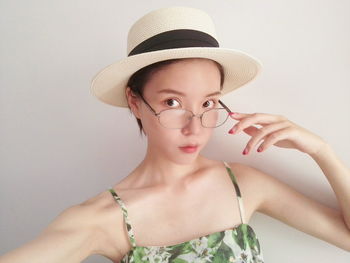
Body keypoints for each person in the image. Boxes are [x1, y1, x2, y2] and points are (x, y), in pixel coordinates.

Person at [1, 6, 349, 263]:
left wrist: (321, 151)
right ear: (134, 102)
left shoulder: (242, 184)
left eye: (209, 102)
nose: (194, 126)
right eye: (172, 101)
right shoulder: (102, 219)